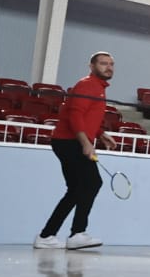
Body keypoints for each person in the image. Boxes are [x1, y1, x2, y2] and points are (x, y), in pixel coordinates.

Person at [35, 51, 116, 250]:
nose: (109, 67)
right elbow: (74, 115)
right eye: (104, 63)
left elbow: (87, 117)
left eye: (111, 64)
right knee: (93, 183)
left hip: (70, 141)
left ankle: (46, 236)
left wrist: (100, 133)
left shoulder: (98, 88)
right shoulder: (87, 84)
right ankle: (78, 233)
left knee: (76, 190)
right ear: (92, 66)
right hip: (70, 141)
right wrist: (85, 143)